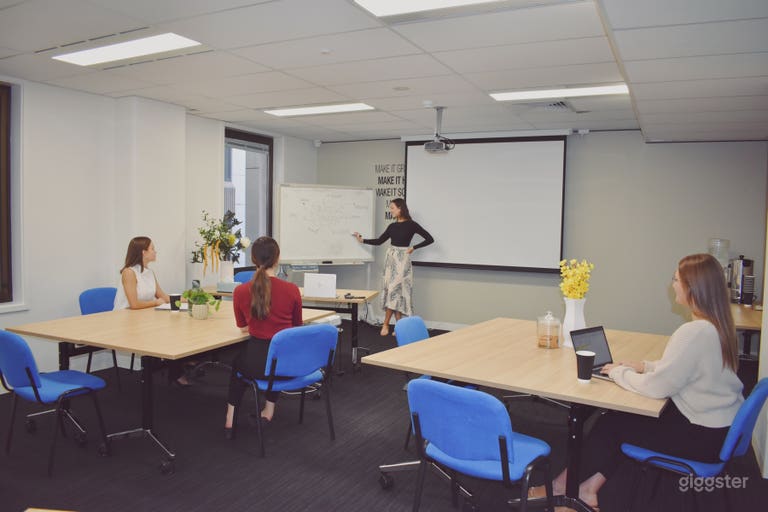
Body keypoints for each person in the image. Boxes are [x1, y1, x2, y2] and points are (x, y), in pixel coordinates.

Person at [531, 253, 744, 508]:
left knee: (613, 423)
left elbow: (657, 388)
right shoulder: (718, 325)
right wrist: (644, 366)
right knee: (621, 419)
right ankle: (588, 488)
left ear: (692, 288)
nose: (672, 284)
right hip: (718, 430)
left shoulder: (695, 331)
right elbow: (687, 368)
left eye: (676, 279)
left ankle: (560, 487)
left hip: (701, 438)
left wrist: (618, 373)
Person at [224, 236, 302, 439]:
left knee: (237, 363)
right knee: (276, 354)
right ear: (277, 258)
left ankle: (230, 419)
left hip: (257, 365)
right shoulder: (292, 290)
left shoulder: (240, 291)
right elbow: (296, 328)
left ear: (253, 259)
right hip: (287, 366)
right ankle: (268, 411)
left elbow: (242, 327)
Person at [114, 236, 191, 387]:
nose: (156, 252)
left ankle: (175, 369)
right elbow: (134, 304)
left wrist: (188, 299)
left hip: (144, 318)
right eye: (152, 249)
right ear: (143, 252)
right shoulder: (129, 273)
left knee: (174, 330)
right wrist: (155, 303)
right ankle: (171, 369)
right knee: (165, 333)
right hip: (126, 321)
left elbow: (164, 297)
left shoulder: (149, 272)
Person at [354, 198, 434, 336]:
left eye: (392, 208)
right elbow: (379, 241)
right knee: (394, 292)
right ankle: (399, 326)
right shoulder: (392, 226)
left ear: (400, 208)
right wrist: (363, 240)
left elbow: (429, 239)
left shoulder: (412, 225)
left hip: (403, 261)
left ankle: (385, 324)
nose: (390, 211)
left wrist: (414, 247)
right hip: (391, 259)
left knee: (395, 292)